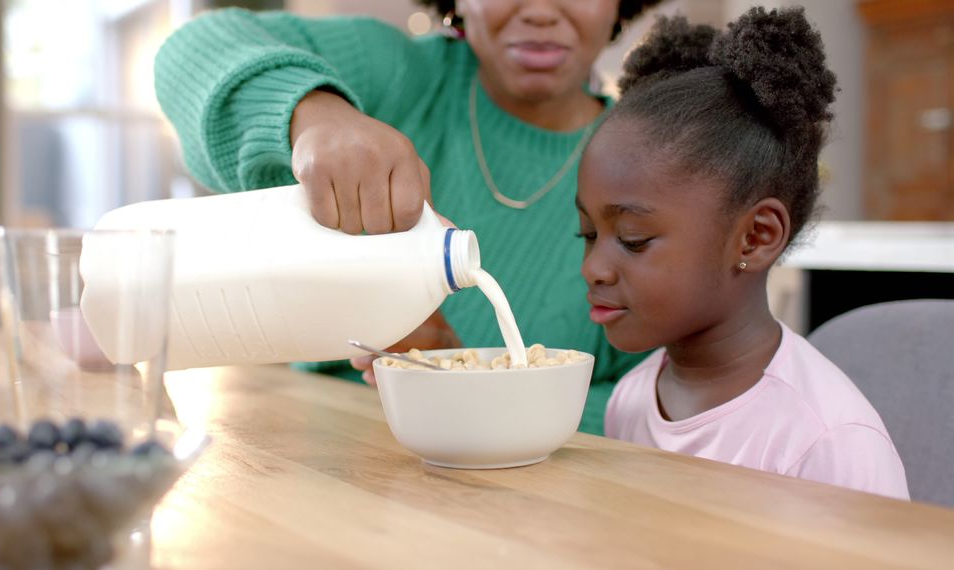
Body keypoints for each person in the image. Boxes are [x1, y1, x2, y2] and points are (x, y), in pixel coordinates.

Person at [154, 0, 664, 435]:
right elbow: (192, 50)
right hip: (303, 460)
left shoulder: (648, 175)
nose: (539, 10)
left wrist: (453, 367)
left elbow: (652, 413)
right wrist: (316, 113)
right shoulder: (398, 76)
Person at [577, 8, 908, 498]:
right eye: (586, 234)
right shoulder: (631, 400)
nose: (594, 268)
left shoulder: (826, 443)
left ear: (755, 237)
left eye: (632, 239)